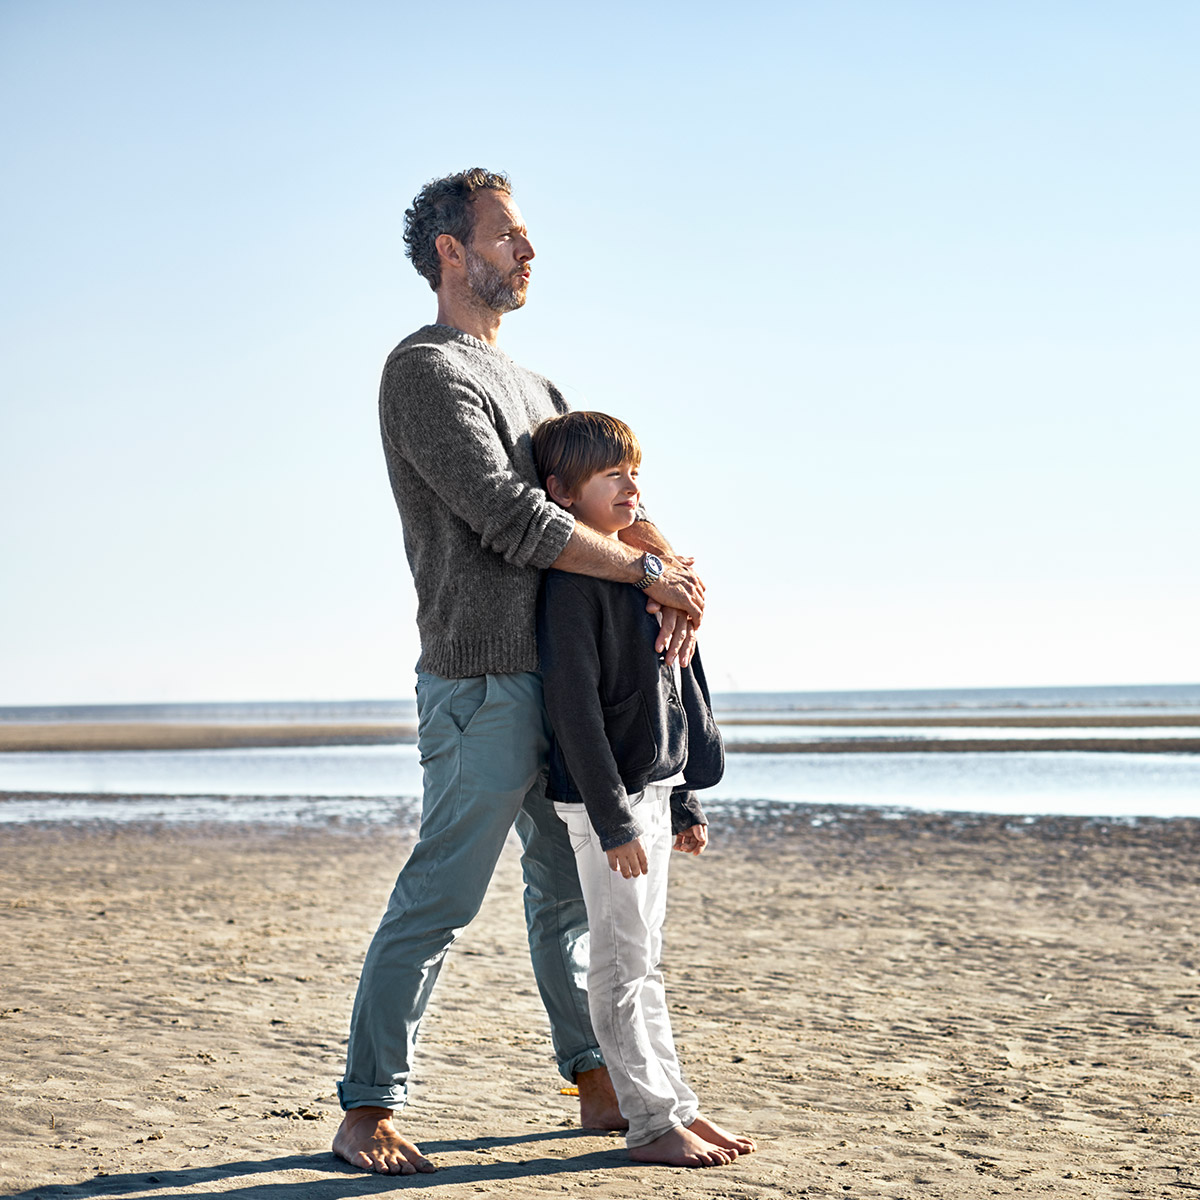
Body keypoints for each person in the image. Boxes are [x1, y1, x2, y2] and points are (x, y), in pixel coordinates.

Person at [332, 168, 707, 1175]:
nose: (528, 251)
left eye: (527, 235)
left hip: (567, 682)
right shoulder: (424, 373)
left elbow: (605, 501)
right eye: (508, 236)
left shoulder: (539, 388)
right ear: (452, 253)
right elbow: (517, 522)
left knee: (566, 899)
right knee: (442, 898)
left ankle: (594, 1079)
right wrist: (647, 571)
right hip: (483, 681)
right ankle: (368, 1105)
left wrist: (671, 563)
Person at [533, 411, 756, 1168]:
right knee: (620, 964)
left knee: (644, 959)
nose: (632, 487)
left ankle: (675, 1107)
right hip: (609, 805)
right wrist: (613, 823)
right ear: (564, 495)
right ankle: (649, 1120)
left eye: (635, 472)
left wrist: (687, 796)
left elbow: (676, 691)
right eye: (612, 476)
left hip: (652, 793)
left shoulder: (650, 579)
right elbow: (575, 712)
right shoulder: (571, 588)